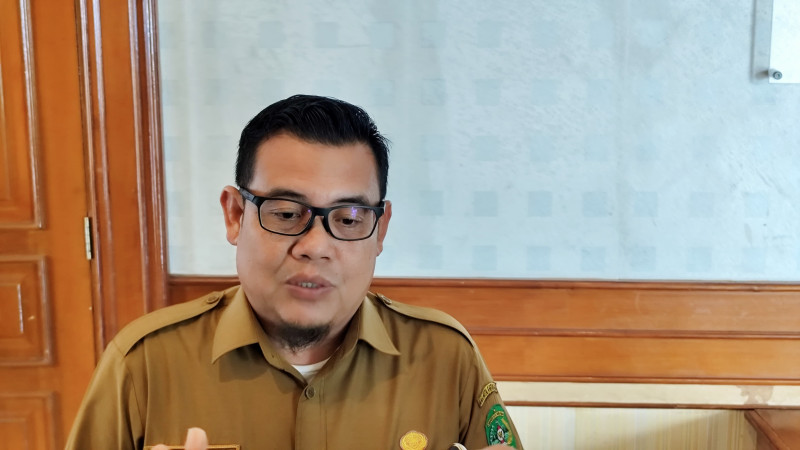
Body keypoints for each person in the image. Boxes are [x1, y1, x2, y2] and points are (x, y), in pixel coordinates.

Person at [66, 94, 523, 449]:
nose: (316, 247)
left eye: (348, 219)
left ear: (379, 230)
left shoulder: (445, 356)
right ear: (234, 215)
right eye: (286, 214)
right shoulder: (143, 364)